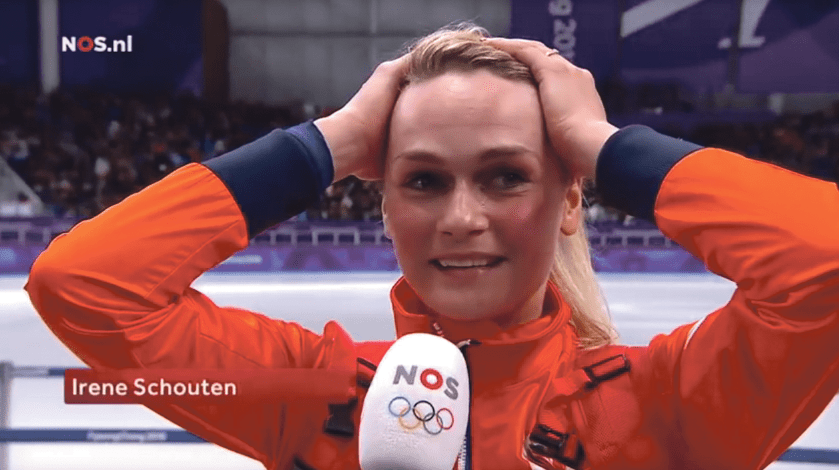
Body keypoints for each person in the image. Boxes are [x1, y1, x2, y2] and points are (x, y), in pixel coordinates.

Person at [25, 25, 839, 470]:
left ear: (568, 202)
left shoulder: (670, 403)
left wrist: (604, 145)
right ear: (383, 205)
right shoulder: (312, 392)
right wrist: (324, 145)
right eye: (421, 181)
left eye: (505, 176)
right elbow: (83, 285)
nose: (459, 218)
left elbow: (825, 260)